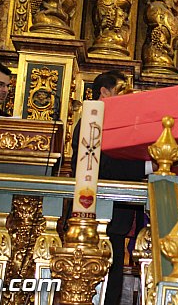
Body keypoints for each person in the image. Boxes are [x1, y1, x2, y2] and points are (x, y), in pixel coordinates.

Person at [70, 70, 155, 304]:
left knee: (114, 276)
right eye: (120, 92)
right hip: (95, 213)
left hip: (117, 214)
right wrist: (148, 166)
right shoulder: (90, 122)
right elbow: (100, 167)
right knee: (95, 276)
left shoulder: (118, 123)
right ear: (104, 92)